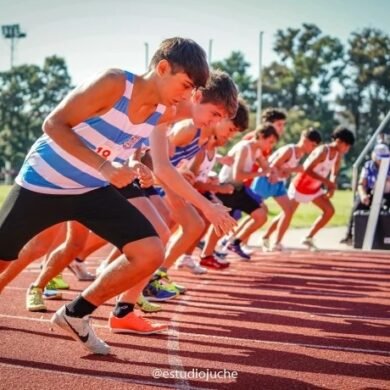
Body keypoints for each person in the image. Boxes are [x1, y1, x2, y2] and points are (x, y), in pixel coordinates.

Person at [0, 37, 236, 355]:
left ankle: (75, 315)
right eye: (184, 85)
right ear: (162, 68)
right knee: (4, 258)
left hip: (89, 189)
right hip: (43, 183)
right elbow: (53, 124)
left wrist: (132, 165)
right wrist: (106, 167)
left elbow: (171, 148)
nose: (186, 95)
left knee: (150, 251)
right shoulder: (114, 83)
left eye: (192, 90)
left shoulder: (167, 110)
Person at [200, 123, 279, 266]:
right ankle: (207, 254)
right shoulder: (244, 148)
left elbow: (266, 166)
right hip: (227, 188)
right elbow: (238, 175)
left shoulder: (257, 150)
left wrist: (272, 173)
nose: (271, 146)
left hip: (239, 189)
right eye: (270, 142)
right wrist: (261, 173)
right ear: (261, 136)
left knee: (261, 215)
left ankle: (235, 242)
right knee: (223, 222)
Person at [282, 127, 355, 251]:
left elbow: (335, 172)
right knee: (286, 214)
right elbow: (307, 169)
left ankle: (308, 237)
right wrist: (326, 182)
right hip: (300, 185)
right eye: (347, 146)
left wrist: (331, 186)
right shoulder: (323, 150)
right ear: (339, 141)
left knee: (329, 211)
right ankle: (268, 238)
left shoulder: (338, 155)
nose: (347, 149)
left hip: (314, 189)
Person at [254, 128, 322, 251]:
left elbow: (291, 168)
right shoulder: (289, 150)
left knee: (288, 210)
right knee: (253, 211)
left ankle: (276, 242)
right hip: (266, 180)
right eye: (312, 145)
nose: (313, 149)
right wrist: (277, 173)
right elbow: (273, 165)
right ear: (305, 140)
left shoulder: (300, 154)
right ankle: (235, 240)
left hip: (278, 184)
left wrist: (287, 172)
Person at [340, 143, 390, 245]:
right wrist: (363, 195)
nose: (382, 161)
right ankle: (349, 235)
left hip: (387, 193)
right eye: (380, 158)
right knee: (357, 205)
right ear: (375, 157)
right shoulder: (368, 166)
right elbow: (361, 184)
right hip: (371, 192)